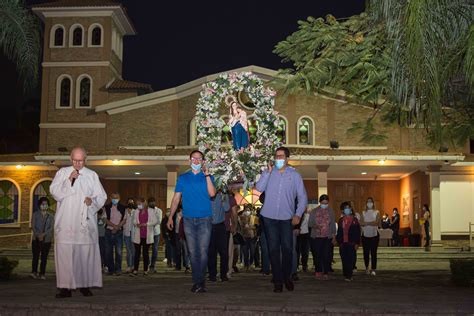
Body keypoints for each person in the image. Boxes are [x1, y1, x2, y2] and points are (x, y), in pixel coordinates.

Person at [50, 146, 107, 298]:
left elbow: (101, 197)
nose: (78, 164)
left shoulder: (92, 175)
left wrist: (92, 202)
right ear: (71, 159)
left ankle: (84, 285)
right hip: (66, 221)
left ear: (85, 160)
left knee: (85, 255)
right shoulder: (62, 173)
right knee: (65, 256)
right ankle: (65, 288)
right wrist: (69, 180)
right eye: (75, 160)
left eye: (81, 161)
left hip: (84, 224)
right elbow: (55, 193)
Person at [256, 146, 307, 293]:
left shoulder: (295, 175)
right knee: (273, 249)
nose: (278, 159)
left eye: (281, 156)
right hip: (269, 217)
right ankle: (277, 281)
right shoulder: (269, 173)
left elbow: (302, 196)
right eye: (276, 156)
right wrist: (267, 173)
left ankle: (287, 277)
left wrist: (298, 214)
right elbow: (259, 188)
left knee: (287, 249)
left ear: (287, 158)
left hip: (286, 217)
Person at [167, 150, 216, 293]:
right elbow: (176, 198)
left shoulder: (208, 177)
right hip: (188, 219)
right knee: (193, 252)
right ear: (189, 161)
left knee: (203, 251)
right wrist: (170, 216)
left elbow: (212, 194)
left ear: (203, 162)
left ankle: (201, 282)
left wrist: (207, 174)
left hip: (205, 218)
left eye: (199, 159)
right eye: (193, 159)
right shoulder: (183, 178)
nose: (196, 161)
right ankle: (198, 281)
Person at [308, 194, 336, 280]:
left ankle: (326, 272)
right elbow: (310, 223)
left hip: (327, 236)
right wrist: (316, 226)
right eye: (323, 203)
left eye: (326, 203)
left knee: (326, 254)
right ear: (320, 202)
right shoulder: (314, 211)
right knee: (317, 254)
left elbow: (333, 224)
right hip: (316, 236)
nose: (325, 204)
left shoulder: (331, 211)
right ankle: (318, 270)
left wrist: (334, 235)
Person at [131, 197, 158, 276]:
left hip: (147, 235)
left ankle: (145, 270)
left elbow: (156, 221)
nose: (138, 205)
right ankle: (135, 269)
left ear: (144, 203)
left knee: (145, 253)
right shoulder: (136, 211)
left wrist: (146, 224)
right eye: (137, 204)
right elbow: (134, 221)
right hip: (138, 235)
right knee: (137, 253)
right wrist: (137, 224)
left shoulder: (151, 211)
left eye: (139, 204)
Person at [208, 190, 231, 282]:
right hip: (208, 226)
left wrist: (223, 196)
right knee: (211, 253)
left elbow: (227, 208)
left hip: (220, 226)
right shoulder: (206, 194)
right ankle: (212, 275)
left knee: (224, 253)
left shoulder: (223, 195)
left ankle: (223, 275)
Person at [336, 201, 361, 282]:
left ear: (351, 209)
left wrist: (357, 243)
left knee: (351, 259)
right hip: (343, 243)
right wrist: (339, 242)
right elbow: (339, 231)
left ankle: (349, 275)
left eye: (348, 208)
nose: (347, 209)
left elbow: (358, 232)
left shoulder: (355, 220)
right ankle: (346, 273)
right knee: (344, 259)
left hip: (351, 243)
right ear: (342, 210)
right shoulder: (341, 220)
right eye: (345, 208)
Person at [30, 197, 54, 280]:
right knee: (35, 256)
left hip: (46, 240)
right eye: (43, 204)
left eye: (46, 204)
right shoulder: (35, 214)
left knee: (44, 257)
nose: (44, 206)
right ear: (39, 205)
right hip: (35, 239)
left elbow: (51, 228)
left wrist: (43, 235)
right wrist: (38, 235)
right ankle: (34, 272)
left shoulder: (51, 216)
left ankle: (42, 273)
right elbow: (33, 226)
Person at [104, 193, 126, 275]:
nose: (115, 199)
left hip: (119, 232)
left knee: (119, 252)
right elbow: (104, 219)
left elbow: (124, 219)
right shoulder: (106, 207)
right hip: (108, 231)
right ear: (110, 198)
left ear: (119, 198)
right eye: (113, 197)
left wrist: (117, 227)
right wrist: (114, 226)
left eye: (116, 198)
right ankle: (111, 270)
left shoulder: (123, 207)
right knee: (108, 252)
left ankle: (118, 269)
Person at [360, 197, 380, 276]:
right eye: (368, 202)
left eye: (371, 202)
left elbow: (377, 223)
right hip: (365, 235)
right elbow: (361, 223)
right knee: (366, 253)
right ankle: (367, 268)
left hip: (374, 235)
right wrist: (371, 223)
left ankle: (373, 269)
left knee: (374, 253)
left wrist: (367, 223)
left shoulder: (377, 212)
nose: (369, 203)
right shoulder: (363, 212)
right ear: (366, 203)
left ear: (373, 203)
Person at [148, 197, 163, 273]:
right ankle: (147, 264)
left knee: (155, 249)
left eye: (153, 202)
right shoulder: (146, 210)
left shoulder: (159, 210)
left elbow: (159, 221)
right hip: (147, 232)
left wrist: (150, 223)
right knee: (146, 249)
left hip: (156, 232)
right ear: (148, 203)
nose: (152, 203)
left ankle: (152, 265)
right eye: (150, 202)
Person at [240, 204, 256, 272]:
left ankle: (251, 264)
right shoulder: (242, 217)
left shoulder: (254, 218)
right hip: (244, 236)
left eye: (249, 210)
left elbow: (256, 227)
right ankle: (246, 265)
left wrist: (252, 227)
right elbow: (240, 227)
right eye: (246, 210)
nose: (248, 211)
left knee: (252, 252)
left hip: (252, 237)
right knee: (245, 252)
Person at [123, 198, 136, 273]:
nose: (131, 203)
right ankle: (129, 265)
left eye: (132, 202)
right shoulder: (125, 211)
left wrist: (131, 213)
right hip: (127, 233)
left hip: (134, 233)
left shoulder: (136, 211)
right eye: (129, 202)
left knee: (133, 251)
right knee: (128, 251)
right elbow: (123, 221)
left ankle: (133, 265)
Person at [296, 207, 310, 273]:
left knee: (305, 252)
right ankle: (296, 265)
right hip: (298, 235)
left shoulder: (308, 216)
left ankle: (304, 265)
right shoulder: (297, 216)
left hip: (306, 235)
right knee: (297, 251)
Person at [97, 207, 107, 272]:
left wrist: (102, 217)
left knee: (104, 252)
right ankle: (99, 266)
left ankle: (105, 266)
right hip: (97, 237)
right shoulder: (95, 217)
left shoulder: (104, 217)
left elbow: (105, 223)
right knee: (98, 252)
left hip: (104, 236)